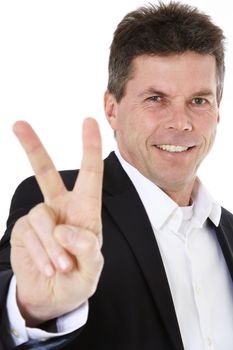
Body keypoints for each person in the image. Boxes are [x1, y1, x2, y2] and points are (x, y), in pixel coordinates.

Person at [0, 1, 232, 349]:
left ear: (217, 113)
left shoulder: (229, 233)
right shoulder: (60, 206)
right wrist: (29, 307)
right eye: (156, 98)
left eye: (199, 101)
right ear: (112, 109)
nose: (181, 122)